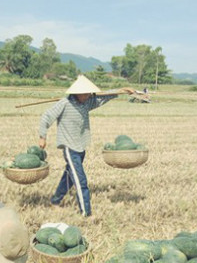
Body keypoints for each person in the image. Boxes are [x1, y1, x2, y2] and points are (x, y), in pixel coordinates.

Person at [38, 75, 135, 216]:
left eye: (90, 93)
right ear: (78, 93)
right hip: (69, 146)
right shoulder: (64, 103)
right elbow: (46, 117)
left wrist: (122, 90)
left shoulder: (87, 103)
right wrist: (42, 137)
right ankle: (86, 213)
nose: (89, 95)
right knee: (81, 180)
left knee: (70, 177)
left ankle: (55, 201)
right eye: (87, 93)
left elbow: (103, 97)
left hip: (81, 146)